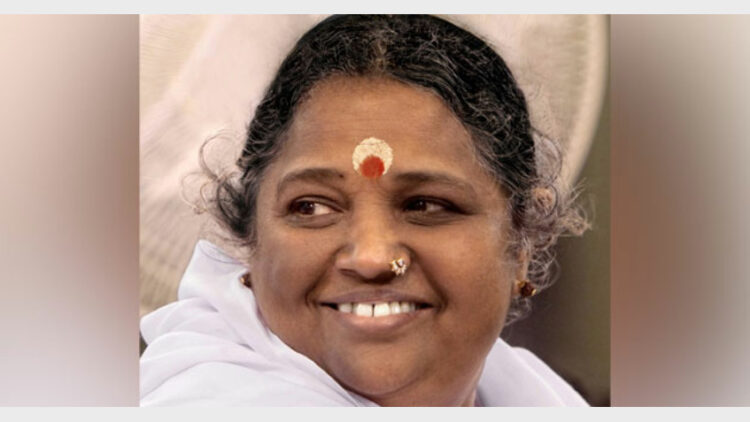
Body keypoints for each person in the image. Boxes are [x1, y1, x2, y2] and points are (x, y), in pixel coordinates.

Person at [140, 14, 589, 406]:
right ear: (249, 245)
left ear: (522, 242)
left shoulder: (535, 396)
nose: (372, 258)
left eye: (425, 205)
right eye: (312, 207)